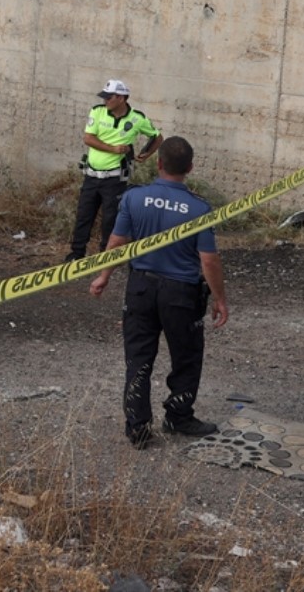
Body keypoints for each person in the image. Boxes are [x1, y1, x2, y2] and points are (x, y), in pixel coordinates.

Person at [89, 136, 228, 447]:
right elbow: (209, 259)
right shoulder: (199, 208)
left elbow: (116, 242)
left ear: (159, 163)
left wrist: (103, 276)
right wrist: (220, 299)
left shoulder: (134, 198)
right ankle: (178, 416)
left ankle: (137, 428)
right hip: (182, 294)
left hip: (141, 287)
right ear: (190, 168)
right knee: (187, 356)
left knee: (138, 358)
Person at [69, 79, 161, 261]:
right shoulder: (97, 112)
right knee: (84, 216)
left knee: (110, 220)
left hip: (115, 179)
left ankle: (106, 256)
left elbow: (157, 137)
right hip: (92, 175)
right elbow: (88, 139)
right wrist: (114, 149)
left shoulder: (137, 118)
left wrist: (146, 154)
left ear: (121, 98)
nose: (105, 101)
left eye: (108, 97)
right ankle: (76, 253)